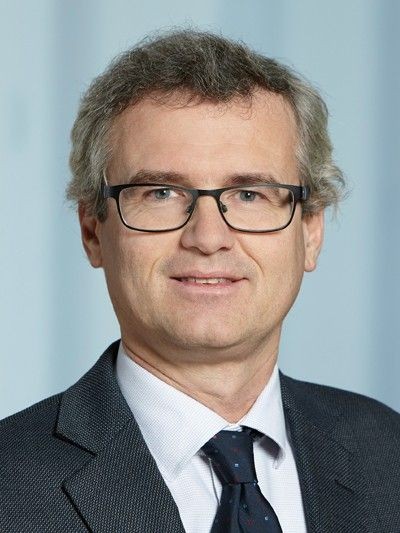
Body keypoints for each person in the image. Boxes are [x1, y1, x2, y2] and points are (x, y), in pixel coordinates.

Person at [1, 29, 399, 533]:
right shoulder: (8, 489)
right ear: (92, 230)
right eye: (162, 192)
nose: (209, 238)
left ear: (311, 232)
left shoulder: (387, 452)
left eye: (251, 194)